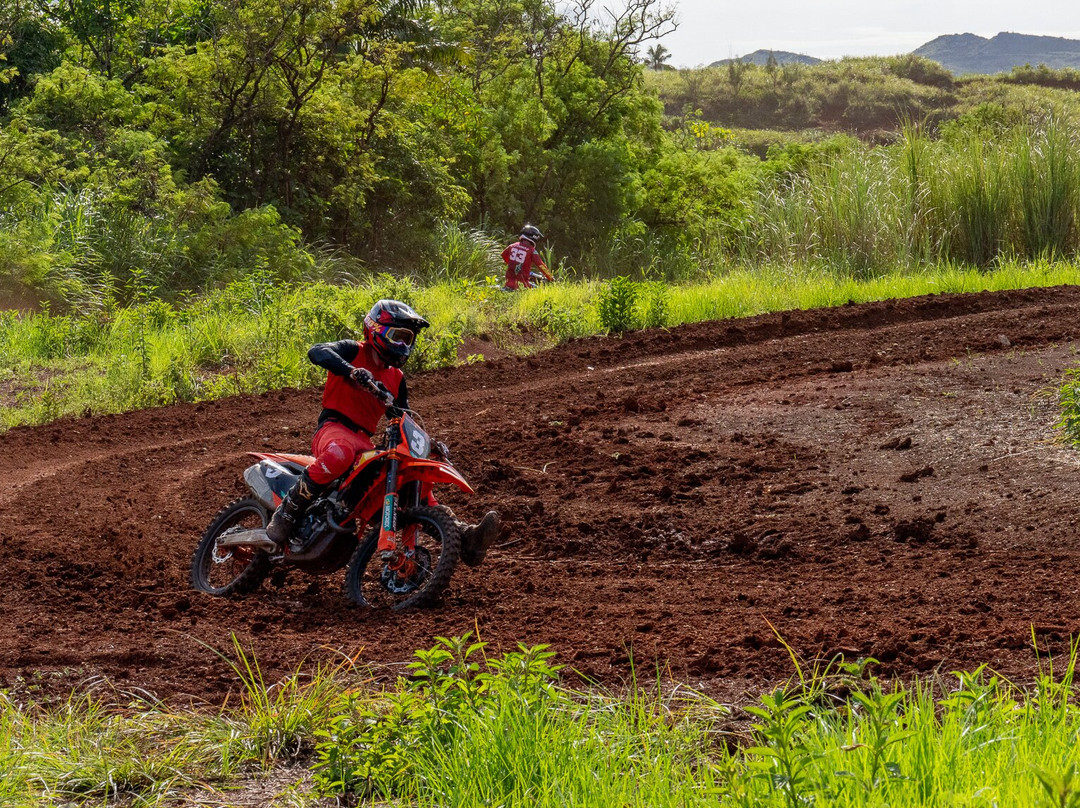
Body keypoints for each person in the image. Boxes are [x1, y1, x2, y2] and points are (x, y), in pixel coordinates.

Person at [266, 298, 499, 562]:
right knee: (341, 453)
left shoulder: (396, 378)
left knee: (410, 479)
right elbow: (317, 352)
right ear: (377, 329)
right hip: (334, 429)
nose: (404, 345)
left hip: (364, 441)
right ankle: (287, 512)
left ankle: (463, 536)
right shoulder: (353, 350)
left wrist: (429, 443)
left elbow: (403, 416)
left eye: (409, 339)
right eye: (399, 336)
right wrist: (353, 371)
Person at [501, 224, 553, 290]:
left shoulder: (512, 246)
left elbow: (503, 255)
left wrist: (513, 264)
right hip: (523, 284)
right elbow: (541, 265)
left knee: (531, 274)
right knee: (541, 289)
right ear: (534, 237)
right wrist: (550, 277)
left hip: (508, 282)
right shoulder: (531, 250)